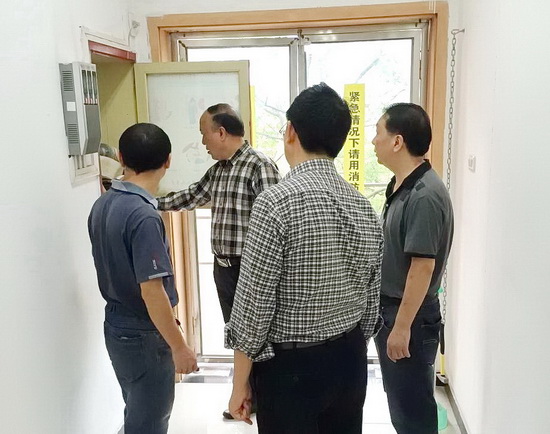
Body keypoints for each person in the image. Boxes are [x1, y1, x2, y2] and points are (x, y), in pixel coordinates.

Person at [225, 83, 383, 433]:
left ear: (291, 132)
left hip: (290, 368)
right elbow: (371, 305)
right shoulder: (364, 208)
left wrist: (240, 383)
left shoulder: (275, 204)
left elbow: (253, 308)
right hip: (350, 360)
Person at [157, 103, 280, 418]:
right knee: (238, 336)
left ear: (221, 132)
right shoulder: (218, 170)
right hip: (223, 268)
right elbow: (189, 197)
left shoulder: (259, 166)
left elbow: (275, 223)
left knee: (257, 337)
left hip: (251, 269)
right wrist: (149, 202)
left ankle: (267, 401)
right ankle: (246, 396)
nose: (203, 142)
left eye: (204, 134)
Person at [88, 123, 198, 434]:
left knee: (136, 410)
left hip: (116, 325)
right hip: (143, 334)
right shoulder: (143, 216)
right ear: (168, 161)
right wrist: (179, 347)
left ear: (121, 157)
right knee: (149, 421)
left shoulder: (102, 204)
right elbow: (152, 291)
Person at [372, 103, 454, 434]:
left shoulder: (424, 195)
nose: (373, 141)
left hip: (410, 317)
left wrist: (402, 327)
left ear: (397, 141)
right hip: (394, 311)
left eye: (378, 133)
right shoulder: (401, 186)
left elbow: (422, 267)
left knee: (413, 414)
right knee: (402, 404)